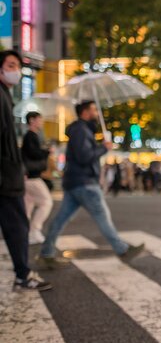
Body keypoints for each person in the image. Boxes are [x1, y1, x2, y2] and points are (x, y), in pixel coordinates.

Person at [38, 100, 143, 268]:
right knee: (102, 217)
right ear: (85, 112)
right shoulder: (81, 130)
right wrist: (103, 148)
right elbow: (84, 156)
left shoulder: (81, 130)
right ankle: (122, 249)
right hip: (84, 182)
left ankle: (46, 252)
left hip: (75, 181)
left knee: (61, 219)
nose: (96, 113)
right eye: (94, 109)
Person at [0, 50, 51, 290]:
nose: (16, 71)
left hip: (9, 174)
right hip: (6, 178)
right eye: (11, 65)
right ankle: (23, 274)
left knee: (18, 222)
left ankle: (23, 273)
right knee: (18, 226)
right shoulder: (1, 96)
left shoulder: (5, 96)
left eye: (18, 66)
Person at [21, 111, 54, 244]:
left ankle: (25, 233)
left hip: (27, 177)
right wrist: (47, 151)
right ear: (32, 121)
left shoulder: (31, 136)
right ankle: (34, 231)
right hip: (32, 176)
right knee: (46, 202)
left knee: (28, 206)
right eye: (39, 119)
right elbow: (34, 154)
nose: (41, 122)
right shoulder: (30, 136)